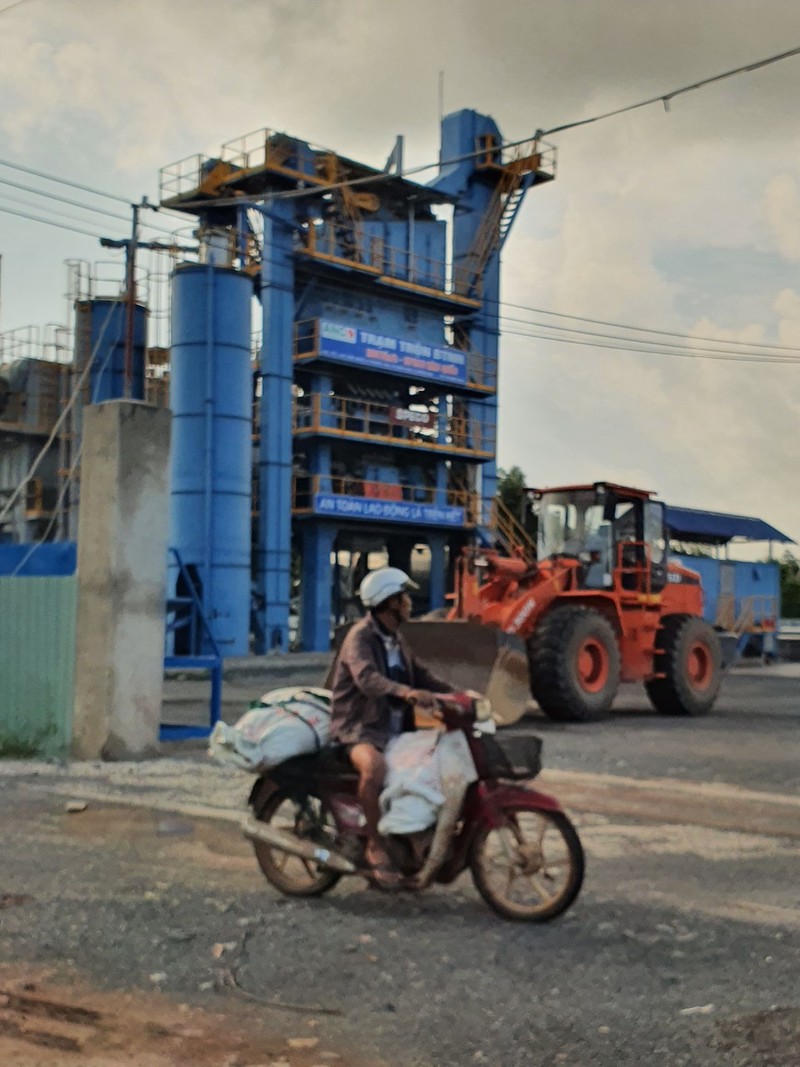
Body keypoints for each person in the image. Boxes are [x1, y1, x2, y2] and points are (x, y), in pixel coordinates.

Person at [329, 566, 452, 887]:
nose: (410, 602)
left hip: (394, 730)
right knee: (375, 768)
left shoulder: (396, 639)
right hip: (359, 729)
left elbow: (422, 676)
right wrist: (406, 692)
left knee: (433, 765)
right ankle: (374, 844)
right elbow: (368, 680)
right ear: (391, 602)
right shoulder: (361, 638)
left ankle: (410, 835)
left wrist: (457, 694)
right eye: (405, 597)